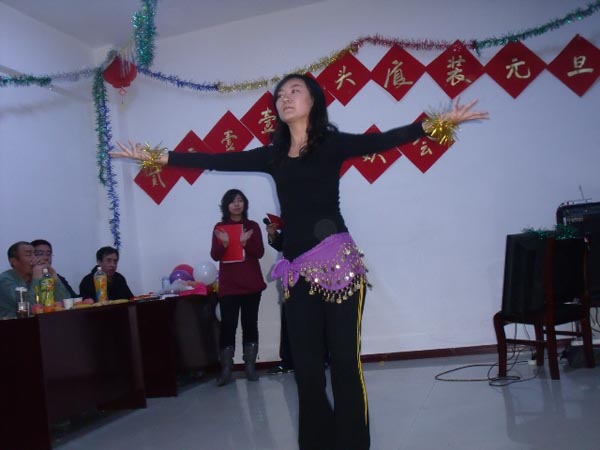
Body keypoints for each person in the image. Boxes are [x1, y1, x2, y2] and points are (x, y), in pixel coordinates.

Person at [114, 73, 488, 450]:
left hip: (339, 266)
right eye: (280, 95)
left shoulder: (332, 144)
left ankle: (353, 444)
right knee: (306, 370)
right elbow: (216, 159)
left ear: (313, 101)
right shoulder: (273, 155)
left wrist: (437, 123)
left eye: (295, 91)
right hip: (296, 271)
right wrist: (157, 156)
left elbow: (385, 138)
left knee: (344, 364)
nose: (285, 98)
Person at [211, 189, 267, 386]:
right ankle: (226, 369)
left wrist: (245, 243)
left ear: (245, 204)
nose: (236, 204)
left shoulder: (252, 226)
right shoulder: (220, 227)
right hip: (229, 286)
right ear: (226, 205)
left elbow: (259, 252)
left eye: (240, 200)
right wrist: (225, 243)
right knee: (228, 326)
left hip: (251, 284)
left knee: (250, 324)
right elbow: (215, 255)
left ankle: (250, 366)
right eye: (232, 201)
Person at [0, 241, 70, 318]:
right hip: (14, 324)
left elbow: (67, 303)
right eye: (28, 255)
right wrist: (36, 278)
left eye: (35, 254)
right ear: (14, 261)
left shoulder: (42, 277)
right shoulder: (5, 280)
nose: (35, 258)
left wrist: (53, 275)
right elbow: (30, 309)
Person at [265, 220, 294, 375]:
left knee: (314, 321)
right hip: (290, 277)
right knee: (288, 319)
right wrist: (273, 235)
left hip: (312, 276)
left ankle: (320, 359)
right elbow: (284, 245)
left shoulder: (317, 217)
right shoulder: (290, 218)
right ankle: (287, 361)